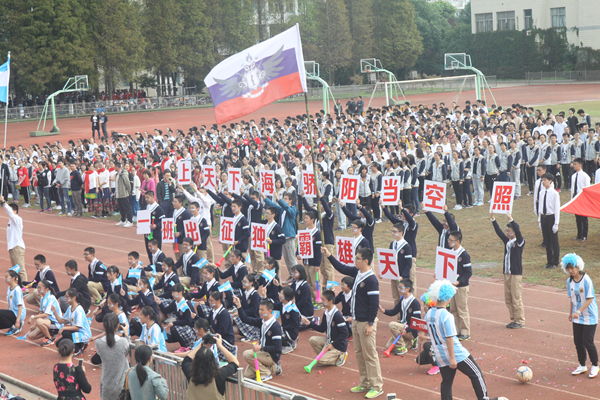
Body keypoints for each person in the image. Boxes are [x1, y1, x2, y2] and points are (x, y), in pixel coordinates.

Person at [421, 280, 501, 400]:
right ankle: (484, 398)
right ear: (448, 297)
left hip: (439, 354)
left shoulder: (428, 314)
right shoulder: (447, 316)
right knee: (476, 374)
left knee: (446, 382)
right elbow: (449, 339)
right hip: (456, 354)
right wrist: (452, 358)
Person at [322, 246, 383, 399]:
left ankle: (376, 386)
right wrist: (329, 255)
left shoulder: (371, 279)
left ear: (366, 261)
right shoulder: (357, 273)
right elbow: (341, 267)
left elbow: (374, 303)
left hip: (365, 322)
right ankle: (365, 382)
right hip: (355, 321)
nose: (355, 260)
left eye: (357, 258)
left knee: (370, 354)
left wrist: (370, 323)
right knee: (359, 353)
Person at [561, 253, 599, 378]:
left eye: (572, 268)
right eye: (568, 268)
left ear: (578, 266)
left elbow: (590, 299)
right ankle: (582, 365)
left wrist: (578, 311)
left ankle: (595, 365)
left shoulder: (586, 279)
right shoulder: (569, 281)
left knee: (587, 341)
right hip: (577, 316)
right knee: (578, 341)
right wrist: (571, 313)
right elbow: (572, 298)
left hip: (589, 315)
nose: (570, 270)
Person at [491, 212, 525, 328]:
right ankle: (513, 319)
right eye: (506, 231)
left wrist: (511, 219)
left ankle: (520, 320)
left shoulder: (519, 242)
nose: (506, 233)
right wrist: (493, 220)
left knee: (516, 298)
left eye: (509, 231)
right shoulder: (507, 242)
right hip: (507, 273)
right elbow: (499, 232)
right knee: (508, 298)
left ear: (514, 232)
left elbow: (518, 232)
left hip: (515, 274)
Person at [182, 333, 239, 400]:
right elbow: (235, 363)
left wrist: (201, 344)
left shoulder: (190, 372)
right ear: (213, 361)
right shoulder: (219, 375)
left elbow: (186, 360)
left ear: (195, 361)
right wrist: (220, 345)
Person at [301, 290, 348, 367]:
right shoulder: (326, 313)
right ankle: (327, 357)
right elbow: (322, 328)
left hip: (339, 345)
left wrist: (333, 344)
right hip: (329, 341)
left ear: (330, 301)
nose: (321, 301)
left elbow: (344, 333)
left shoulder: (337, 315)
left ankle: (340, 357)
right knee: (312, 339)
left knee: (320, 362)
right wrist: (309, 323)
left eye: (323, 300)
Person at [240, 299, 282, 381]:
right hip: (262, 353)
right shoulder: (262, 322)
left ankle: (266, 373)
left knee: (247, 354)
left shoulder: (275, 327)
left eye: (262, 310)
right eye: (259, 309)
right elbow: (245, 319)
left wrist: (261, 348)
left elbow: (277, 348)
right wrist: (239, 306)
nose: (260, 312)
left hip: (271, 355)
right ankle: (274, 367)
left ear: (270, 311)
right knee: (247, 375)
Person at [380, 278, 420, 355]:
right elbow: (394, 311)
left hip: (410, 330)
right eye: (398, 287)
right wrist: (383, 310)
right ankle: (409, 341)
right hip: (402, 327)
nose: (399, 289)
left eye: (401, 287)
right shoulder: (402, 300)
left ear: (408, 289)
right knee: (388, 347)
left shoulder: (415, 303)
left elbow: (416, 322)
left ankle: (403, 347)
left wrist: (407, 330)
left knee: (392, 325)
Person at [264, 192, 298, 284]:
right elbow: (274, 206)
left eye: (285, 199)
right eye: (283, 198)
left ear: (291, 201)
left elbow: (287, 207)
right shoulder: (283, 210)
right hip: (284, 236)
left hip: (289, 236)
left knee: (291, 259)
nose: (284, 200)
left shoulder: (292, 210)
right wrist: (265, 198)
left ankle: (296, 277)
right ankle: (292, 276)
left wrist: (278, 199)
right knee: (286, 259)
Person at [95, 314, 130, 400]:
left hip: (106, 384)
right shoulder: (123, 342)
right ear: (118, 326)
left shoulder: (98, 343)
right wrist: (126, 333)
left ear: (104, 326)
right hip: (122, 386)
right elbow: (128, 351)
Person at [54, 288, 92, 356]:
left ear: (74, 297)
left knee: (65, 332)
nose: (65, 298)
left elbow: (77, 327)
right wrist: (54, 311)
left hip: (84, 334)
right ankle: (80, 345)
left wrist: (63, 328)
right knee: (59, 344)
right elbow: (61, 321)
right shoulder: (69, 308)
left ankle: (78, 349)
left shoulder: (79, 310)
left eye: (67, 296)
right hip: (76, 333)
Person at [25, 279, 63, 346]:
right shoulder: (42, 298)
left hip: (56, 323)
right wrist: (34, 325)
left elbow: (45, 314)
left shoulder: (50, 298)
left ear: (46, 289)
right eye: (37, 287)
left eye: (39, 288)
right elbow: (41, 312)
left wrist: (33, 317)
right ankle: (51, 334)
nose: (37, 289)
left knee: (39, 321)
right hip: (47, 322)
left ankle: (49, 338)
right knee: (31, 336)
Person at [1, 196, 27, 282]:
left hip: (17, 247)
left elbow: (10, 213)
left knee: (21, 269)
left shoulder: (18, 219)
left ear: (15, 211)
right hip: (12, 248)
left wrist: (4, 202)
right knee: (15, 271)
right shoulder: (11, 221)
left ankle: (24, 289)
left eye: (11, 210)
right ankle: (18, 287)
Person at [538, 173, 561, 269]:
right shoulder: (541, 193)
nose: (543, 182)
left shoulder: (554, 193)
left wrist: (556, 223)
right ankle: (549, 261)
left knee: (554, 241)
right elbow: (540, 206)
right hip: (544, 217)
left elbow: (556, 209)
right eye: (542, 180)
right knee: (547, 240)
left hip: (551, 217)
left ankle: (555, 262)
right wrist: (539, 220)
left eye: (545, 180)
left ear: (550, 181)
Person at [0, 270, 26, 335]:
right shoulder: (9, 288)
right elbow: (9, 304)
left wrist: (17, 320)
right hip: (12, 312)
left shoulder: (17, 290)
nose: (5, 278)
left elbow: (20, 306)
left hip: (18, 313)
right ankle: (14, 323)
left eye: (7, 277)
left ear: (13, 278)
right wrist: (4, 313)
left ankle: (16, 325)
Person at [571, 158, 590, 241]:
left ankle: (584, 235)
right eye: (573, 164)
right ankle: (579, 234)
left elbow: (587, 188)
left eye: (575, 164)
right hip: (575, 199)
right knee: (577, 218)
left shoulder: (585, 176)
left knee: (583, 218)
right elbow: (573, 189)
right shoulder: (573, 176)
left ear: (580, 165)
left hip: (582, 199)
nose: (574, 166)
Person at [115, 161, 134, 228]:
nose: (114, 168)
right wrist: (115, 193)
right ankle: (123, 220)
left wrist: (128, 192)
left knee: (127, 207)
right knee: (121, 208)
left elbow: (128, 184)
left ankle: (130, 221)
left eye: (115, 166)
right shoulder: (117, 174)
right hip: (119, 194)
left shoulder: (124, 174)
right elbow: (117, 185)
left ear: (117, 167)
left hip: (124, 194)